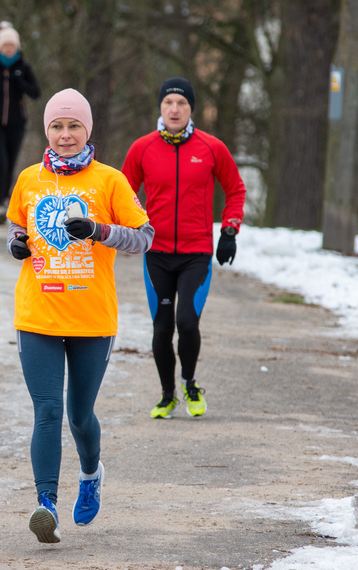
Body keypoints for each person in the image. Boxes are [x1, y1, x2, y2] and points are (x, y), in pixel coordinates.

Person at [6, 88, 154, 543]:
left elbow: (143, 236)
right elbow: (18, 224)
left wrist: (98, 230)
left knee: (79, 415)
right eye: (56, 126)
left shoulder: (109, 181)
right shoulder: (30, 179)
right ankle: (45, 504)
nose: (65, 135)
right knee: (47, 410)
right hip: (38, 314)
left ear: (87, 130)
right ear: (46, 131)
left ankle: (90, 474)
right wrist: (16, 243)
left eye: (73, 126)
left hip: (92, 318)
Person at [121, 77, 246, 420]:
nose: (174, 109)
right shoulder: (142, 148)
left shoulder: (211, 148)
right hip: (156, 253)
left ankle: (190, 382)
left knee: (187, 323)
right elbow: (121, 193)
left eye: (182, 103)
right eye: (168, 103)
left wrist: (229, 231)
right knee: (162, 328)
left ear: (191, 109)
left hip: (196, 254)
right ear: (160, 108)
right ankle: (167, 394)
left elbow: (235, 189)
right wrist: (123, 231)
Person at [0, 21, 41, 224]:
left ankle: (5, 199)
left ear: (17, 47)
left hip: (17, 123)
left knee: (11, 163)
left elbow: (36, 92)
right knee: (1, 162)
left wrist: (19, 82)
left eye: (12, 46)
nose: (9, 49)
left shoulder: (23, 67)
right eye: (5, 46)